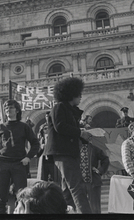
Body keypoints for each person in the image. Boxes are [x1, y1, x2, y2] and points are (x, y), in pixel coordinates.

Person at [44, 77, 93, 214]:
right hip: (62, 152)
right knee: (77, 187)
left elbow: (72, 131)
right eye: (79, 94)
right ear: (71, 94)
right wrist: (80, 133)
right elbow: (60, 126)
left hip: (69, 152)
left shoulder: (71, 111)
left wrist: (85, 136)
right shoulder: (59, 107)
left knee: (66, 189)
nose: (81, 97)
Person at [0, 99, 40, 214]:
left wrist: (28, 157)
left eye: (11, 108)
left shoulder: (24, 127)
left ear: (17, 110)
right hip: (3, 164)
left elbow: (36, 143)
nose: (8, 110)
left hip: (19, 164)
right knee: (1, 198)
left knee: (22, 196)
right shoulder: (0, 128)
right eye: (6, 108)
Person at [80, 138, 110, 213]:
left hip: (93, 181)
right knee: (82, 207)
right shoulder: (75, 149)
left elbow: (105, 159)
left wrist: (100, 170)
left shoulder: (94, 149)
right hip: (80, 182)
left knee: (95, 208)